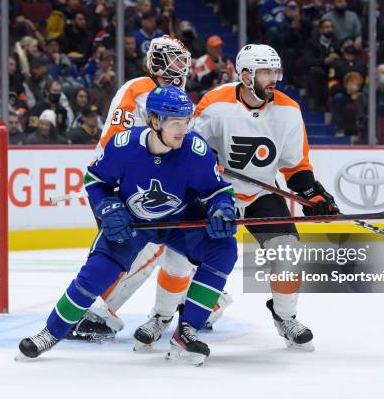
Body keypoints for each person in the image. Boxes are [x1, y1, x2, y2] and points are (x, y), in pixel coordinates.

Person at [18, 86, 238, 366]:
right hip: (132, 223)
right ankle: (50, 332)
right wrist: (108, 207)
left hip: (178, 222)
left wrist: (222, 208)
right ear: (155, 121)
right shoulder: (123, 146)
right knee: (95, 274)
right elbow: (96, 180)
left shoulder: (196, 151)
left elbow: (217, 190)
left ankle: (187, 332)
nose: (183, 129)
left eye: (186, 121)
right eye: (175, 123)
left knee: (224, 249)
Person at [192, 44, 339, 351]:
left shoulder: (288, 109)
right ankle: (183, 311)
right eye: (266, 72)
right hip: (219, 193)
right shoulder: (215, 103)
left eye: (276, 71)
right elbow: (192, 152)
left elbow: (295, 163)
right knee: (188, 255)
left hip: (260, 192)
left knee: (287, 253)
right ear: (245, 75)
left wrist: (311, 193)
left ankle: (285, 317)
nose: (274, 78)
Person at [65, 36, 196, 343]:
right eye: (175, 58)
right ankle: (95, 311)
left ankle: (209, 303)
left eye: (182, 59)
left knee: (181, 243)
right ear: (158, 61)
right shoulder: (138, 89)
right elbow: (117, 142)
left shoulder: (176, 95)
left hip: (149, 191)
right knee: (147, 247)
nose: (181, 65)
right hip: (121, 188)